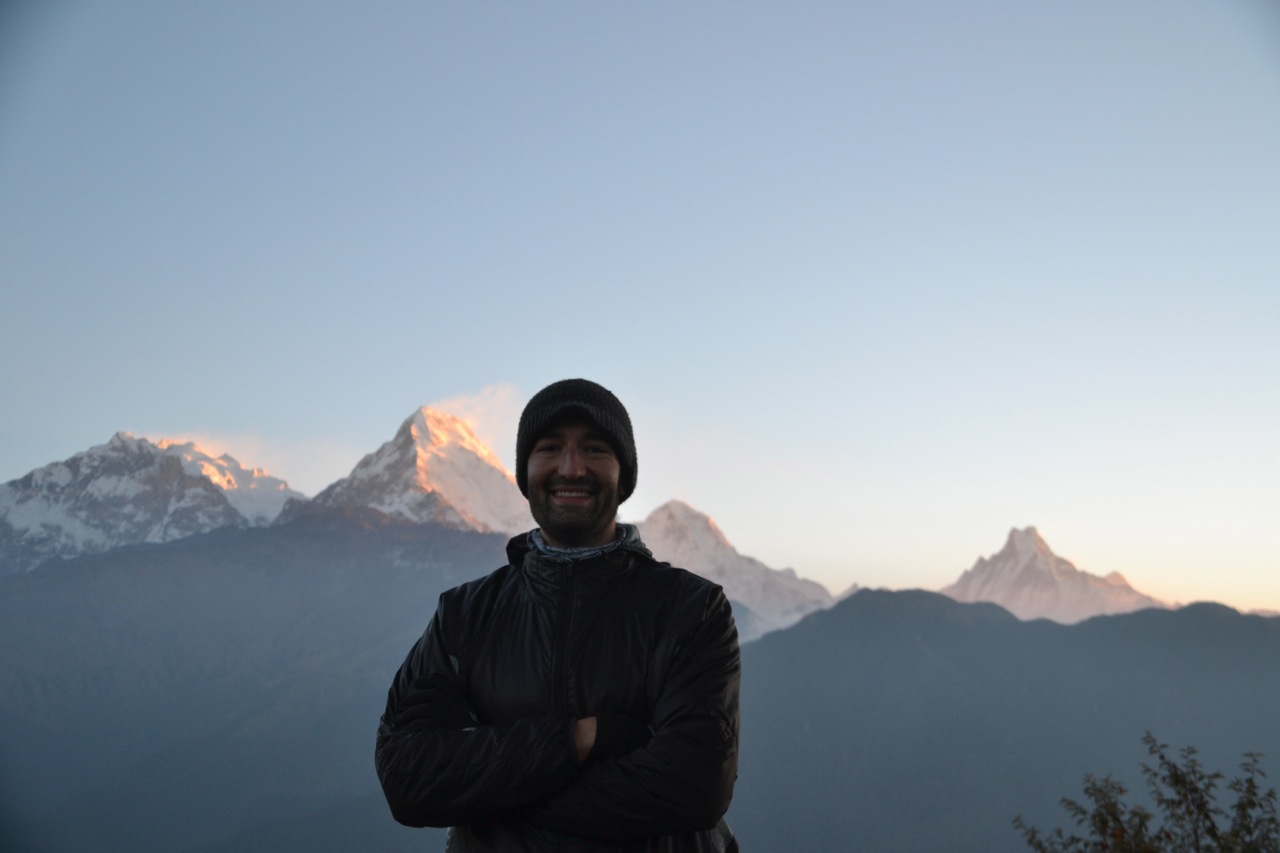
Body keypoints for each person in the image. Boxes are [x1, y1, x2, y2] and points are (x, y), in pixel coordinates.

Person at [375, 378, 741, 852]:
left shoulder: (692, 610)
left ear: (623, 476)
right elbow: (404, 774)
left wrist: (491, 797)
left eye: (594, 449)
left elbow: (695, 784)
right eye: (550, 448)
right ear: (524, 472)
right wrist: (577, 739)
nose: (571, 468)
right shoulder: (463, 615)